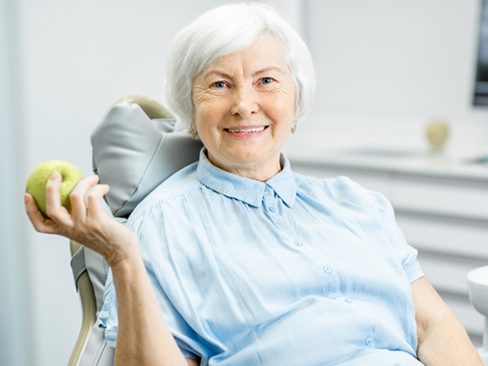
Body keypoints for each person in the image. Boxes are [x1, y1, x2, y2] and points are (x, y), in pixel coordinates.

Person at [25, 3, 482, 366]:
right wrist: (122, 258)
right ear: (191, 107)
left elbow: (433, 326)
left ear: (296, 100)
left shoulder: (359, 205)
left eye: (266, 81)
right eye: (219, 85)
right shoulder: (161, 225)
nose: (245, 104)